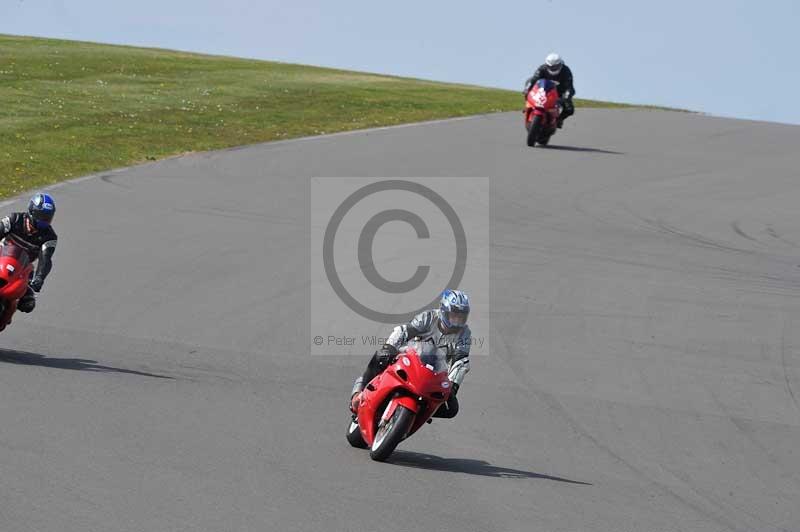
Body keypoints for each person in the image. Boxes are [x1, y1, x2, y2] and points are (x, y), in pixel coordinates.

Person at [350, 289, 472, 419]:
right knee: (380, 356)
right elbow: (403, 331)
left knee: (451, 409)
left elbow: (461, 361)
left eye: (461, 317)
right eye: (454, 315)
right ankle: (359, 393)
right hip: (409, 359)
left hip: (434, 373)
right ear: (443, 311)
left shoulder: (465, 333)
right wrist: (389, 347)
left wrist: (453, 386)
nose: (457, 321)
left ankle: (416, 414)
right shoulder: (428, 317)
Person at [0, 193, 58, 313]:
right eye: (41, 217)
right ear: (32, 212)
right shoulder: (13, 219)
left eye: (47, 218)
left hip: (22, 270)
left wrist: (39, 278)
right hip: (1, 260)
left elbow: (45, 259)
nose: (44, 222)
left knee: (28, 304)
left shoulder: (50, 237)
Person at [524, 52, 576, 128]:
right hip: (543, 90)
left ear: (560, 64)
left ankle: (559, 119)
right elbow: (534, 79)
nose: (553, 69)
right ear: (547, 65)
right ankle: (528, 106)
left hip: (559, 92)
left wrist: (566, 97)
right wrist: (527, 89)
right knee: (528, 82)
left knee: (570, 109)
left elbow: (569, 86)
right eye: (551, 67)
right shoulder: (542, 68)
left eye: (555, 67)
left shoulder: (566, 70)